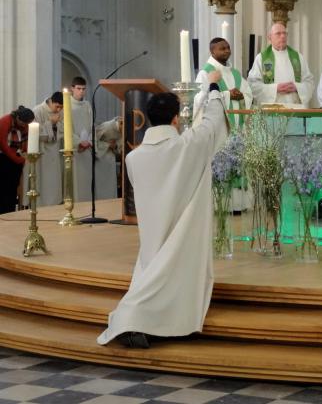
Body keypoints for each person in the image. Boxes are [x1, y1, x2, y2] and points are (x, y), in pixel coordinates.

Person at [97, 75, 228, 348]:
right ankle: (131, 320)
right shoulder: (186, 146)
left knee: (150, 278)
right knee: (170, 278)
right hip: (181, 232)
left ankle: (137, 321)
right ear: (175, 119)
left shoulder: (133, 158)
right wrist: (214, 90)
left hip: (153, 237)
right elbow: (213, 125)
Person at [247, 23, 314, 108]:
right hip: (271, 111)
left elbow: (309, 82)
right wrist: (275, 89)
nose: (282, 36)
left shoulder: (298, 57)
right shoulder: (261, 58)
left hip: (295, 109)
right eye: (278, 33)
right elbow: (253, 85)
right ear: (269, 37)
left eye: (284, 33)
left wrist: (297, 87)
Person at [195, 37, 253, 130]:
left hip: (238, 128)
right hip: (217, 129)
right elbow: (201, 100)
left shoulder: (235, 73)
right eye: (222, 49)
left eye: (228, 48)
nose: (227, 51)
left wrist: (242, 96)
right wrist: (228, 95)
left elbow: (248, 93)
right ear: (212, 52)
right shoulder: (205, 73)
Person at [24, 93, 63, 207]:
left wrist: (56, 125)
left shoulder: (61, 112)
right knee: (42, 182)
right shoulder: (38, 111)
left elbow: (62, 129)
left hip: (55, 152)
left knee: (54, 182)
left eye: (61, 107)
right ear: (51, 101)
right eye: (57, 106)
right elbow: (35, 132)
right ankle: (40, 204)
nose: (59, 110)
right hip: (41, 152)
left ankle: (55, 203)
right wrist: (50, 123)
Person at [0, 106, 35, 213]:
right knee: (3, 188)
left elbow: (26, 140)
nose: (25, 126)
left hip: (17, 157)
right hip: (3, 158)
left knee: (13, 188)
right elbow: (3, 145)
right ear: (18, 118)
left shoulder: (25, 125)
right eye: (24, 123)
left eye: (27, 124)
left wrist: (24, 155)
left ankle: (10, 212)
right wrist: (18, 159)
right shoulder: (5, 121)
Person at [65, 77, 93, 203]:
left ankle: (87, 207)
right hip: (75, 149)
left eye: (83, 89)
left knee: (86, 183)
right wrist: (78, 143)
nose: (81, 91)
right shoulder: (67, 104)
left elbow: (92, 125)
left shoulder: (87, 105)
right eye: (78, 88)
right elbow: (66, 127)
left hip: (87, 148)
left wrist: (89, 141)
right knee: (75, 184)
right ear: (72, 88)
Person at [95, 117, 122, 200]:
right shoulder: (107, 127)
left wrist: (115, 146)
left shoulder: (122, 130)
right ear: (121, 123)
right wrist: (107, 145)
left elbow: (120, 147)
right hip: (100, 160)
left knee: (111, 185)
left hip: (111, 159)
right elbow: (93, 140)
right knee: (100, 186)